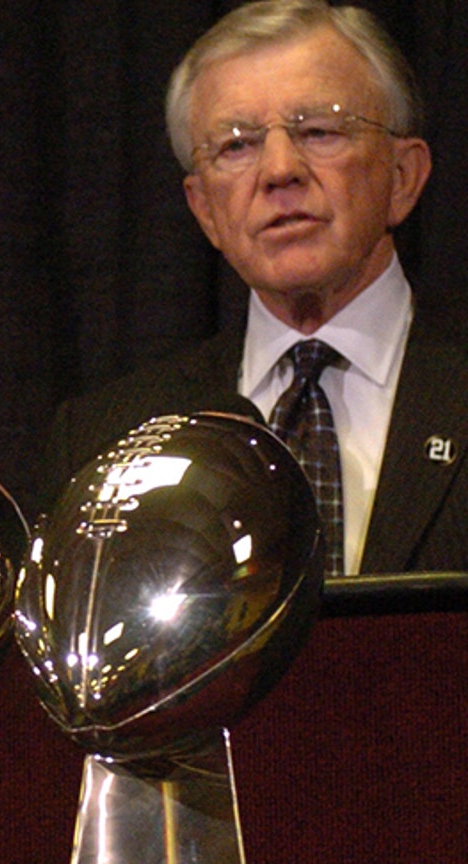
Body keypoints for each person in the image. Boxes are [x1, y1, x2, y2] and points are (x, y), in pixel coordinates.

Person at [40, 0, 468, 575]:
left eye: (318, 131)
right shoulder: (107, 442)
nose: (278, 171)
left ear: (402, 178)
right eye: (236, 145)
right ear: (205, 210)